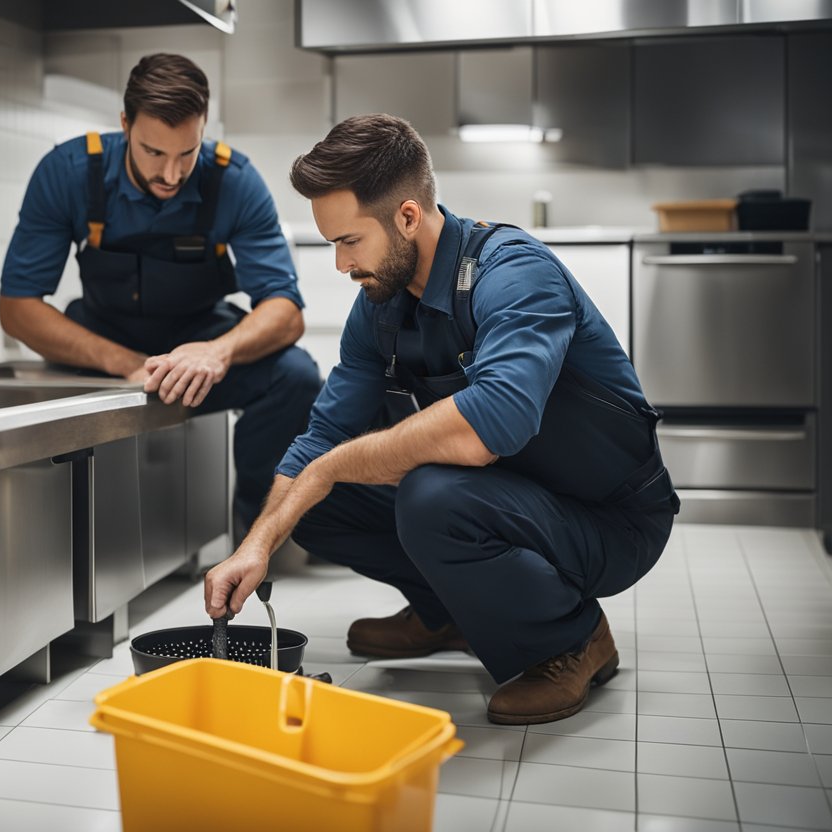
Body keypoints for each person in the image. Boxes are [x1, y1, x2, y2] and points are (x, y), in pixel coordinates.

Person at [204, 114, 679, 725]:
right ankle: (448, 611)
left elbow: (489, 427)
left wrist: (332, 465)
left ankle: (572, 640)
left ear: (406, 216)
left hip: (609, 518)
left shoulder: (513, 274)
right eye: (334, 245)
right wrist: (257, 545)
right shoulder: (380, 305)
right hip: (512, 494)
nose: (341, 265)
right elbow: (322, 437)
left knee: (430, 495)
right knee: (312, 502)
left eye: (350, 241)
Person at [0, 53, 320, 532]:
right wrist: (126, 363)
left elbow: (285, 309)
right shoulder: (69, 171)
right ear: (125, 124)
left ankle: (259, 530)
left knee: (295, 375)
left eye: (186, 154)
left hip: (200, 339)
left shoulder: (234, 181)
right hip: (105, 344)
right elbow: (18, 308)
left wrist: (217, 352)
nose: (171, 175)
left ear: (204, 128)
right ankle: (68, 534)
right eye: (154, 153)